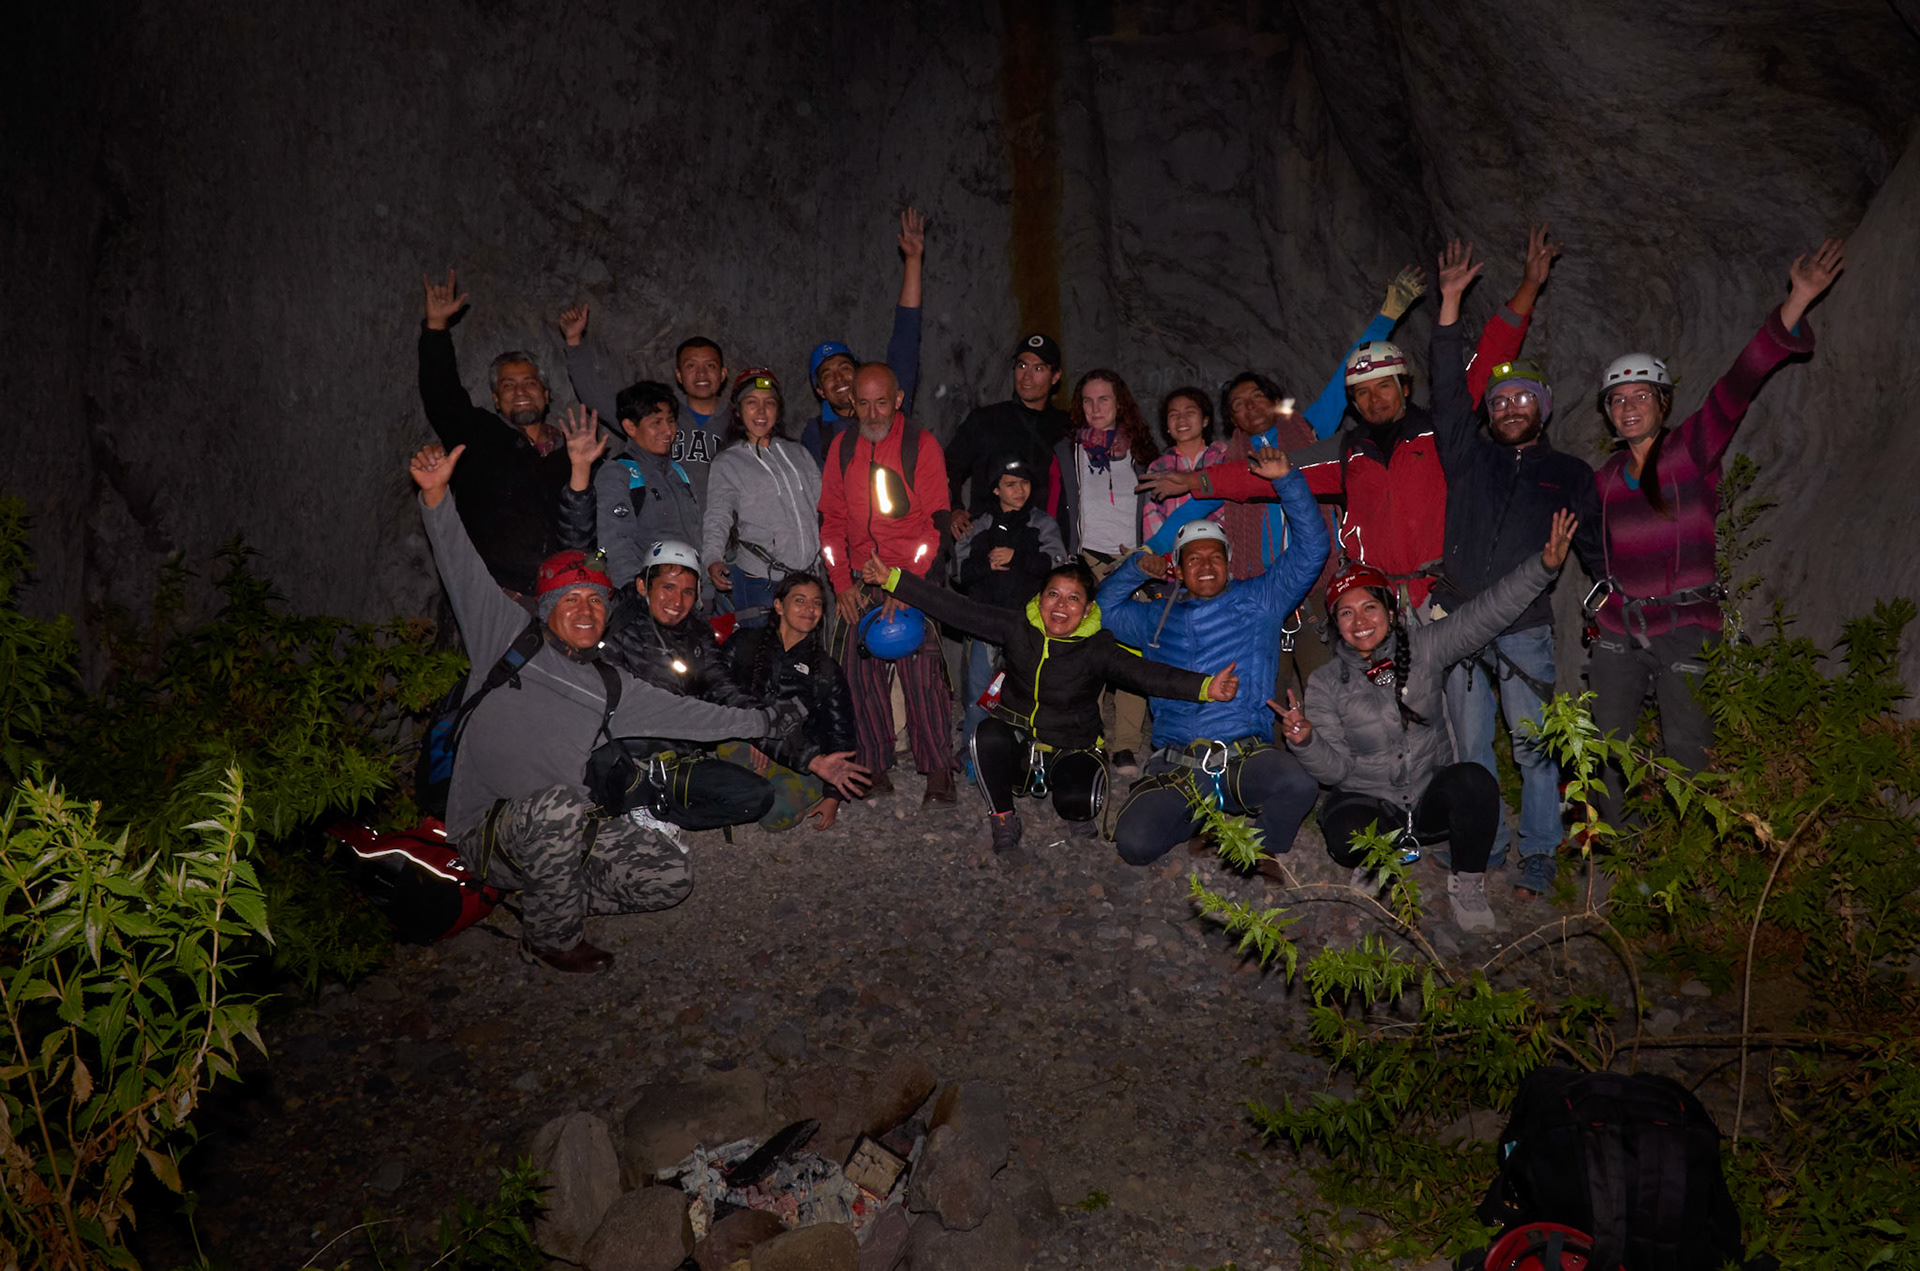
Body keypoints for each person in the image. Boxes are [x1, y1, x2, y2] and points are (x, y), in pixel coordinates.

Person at [408, 442, 792, 973]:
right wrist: (435, 496)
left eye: (594, 599)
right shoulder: (507, 639)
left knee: (670, 877)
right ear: (547, 608)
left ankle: (550, 894)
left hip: (566, 831)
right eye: (571, 599)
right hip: (490, 830)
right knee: (562, 805)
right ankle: (550, 939)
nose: (586, 609)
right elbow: (460, 567)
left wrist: (765, 720)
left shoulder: (610, 684)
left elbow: (693, 716)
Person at [1147, 226, 1563, 615]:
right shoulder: (1347, 452)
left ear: (1404, 386)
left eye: (1383, 386)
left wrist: (1529, 286)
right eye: (1362, 392)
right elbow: (1267, 473)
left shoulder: (1440, 431)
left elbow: (1486, 359)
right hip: (1375, 602)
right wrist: (1194, 480)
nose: (1373, 398)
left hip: (1440, 595)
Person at [1587, 239, 1843, 820]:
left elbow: (1741, 380)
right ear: (1607, 412)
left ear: (1663, 403)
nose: (1629, 407)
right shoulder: (1604, 480)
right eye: (1617, 400)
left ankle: (1696, 859)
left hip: (1685, 625)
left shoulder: (1692, 449)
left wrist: (1797, 301)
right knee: (1606, 754)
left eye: (1641, 395)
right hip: (1620, 626)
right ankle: (1621, 858)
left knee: (1688, 755)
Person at [1275, 511, 1579, 934]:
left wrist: (1542, 567)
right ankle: (1378, 859)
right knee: (1342, 831)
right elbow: (1336, 772)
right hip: (1372, 800)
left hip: (1427, 798)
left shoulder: (1426, 647)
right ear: (1335, 624)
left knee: (1474, 781)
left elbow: (1487, 612)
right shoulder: (1326, 681)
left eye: (1369, 607)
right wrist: (1306, 741)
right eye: (1346, 613)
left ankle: (1468, 882)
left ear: (1390, 609)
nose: (1360, 622)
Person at [1428, 238, 1603, 895]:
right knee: (1471, 750)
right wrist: (1449, 304)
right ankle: (1486, 845)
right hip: (1461, 619)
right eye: (1499, 402)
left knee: (1534, 750)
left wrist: (1613, 602)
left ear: (1542, 408)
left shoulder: (1570, 473)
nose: (1507, 408)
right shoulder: (1467, 456)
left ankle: (1538, 853)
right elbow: (1448, 393)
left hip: (1526, 627)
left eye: (1521, 400)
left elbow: (1596, 550)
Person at [864, 554, 1239, 860]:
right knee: (985, 734)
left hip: (1073, 745)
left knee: (1077, 805)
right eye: (1053, 595)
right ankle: (1003, 818)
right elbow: (958, 610)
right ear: (1039, 599)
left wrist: (1206, 687)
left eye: (1073, 598)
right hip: (1020, 741)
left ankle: (1071, 795)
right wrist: (894, 580)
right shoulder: (1017, 627)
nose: (1061, 606)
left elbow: (1147, 674)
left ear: (1087, 609)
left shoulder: (1098, 646)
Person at [1098, 448, 1329, 867]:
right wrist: (1135, 569)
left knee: (1298, 785)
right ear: (1178, 570)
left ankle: (1254, 852)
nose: (1206, 566)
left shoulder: (1261, 599)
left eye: (1215, 556)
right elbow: (1103, 612)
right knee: (1134, 844)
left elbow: (1313, 548)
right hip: (1177, 763)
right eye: (1194, 559)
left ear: (1228, 562)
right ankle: (1199, 818)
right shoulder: (1154, 617)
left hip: (1244, 758)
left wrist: (1287, 480)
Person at [818, 362, 957, 803]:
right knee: (858, 671)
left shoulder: (921, 445)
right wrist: (840, 582)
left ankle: (938, 767)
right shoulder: (843, 448)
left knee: (922, 670)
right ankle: (874, 763)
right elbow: (830, 521)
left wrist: (906, 585)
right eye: (863, 404)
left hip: (911, 573)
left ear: (898, 399)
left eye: (882, 402)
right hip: (860, 576)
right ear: (851, 403)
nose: (873, 413)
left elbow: (936, 525)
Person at [593, 539, 785, 833]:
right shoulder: (615, 620)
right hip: (624, 758)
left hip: (677, 760)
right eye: (668, 587)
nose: (677, 601)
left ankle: (656, 810)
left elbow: (722, 687)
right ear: (643, 586)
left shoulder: (697, 633)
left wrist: (763, 722)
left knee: (757, 796)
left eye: (687, 591)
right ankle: (633, 802)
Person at [417, 269, 573, 595]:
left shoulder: (573, 453)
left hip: (562, 595)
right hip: (493, 592)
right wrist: (436, 329)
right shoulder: (477, 436)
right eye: (508, 386)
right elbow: (441, 393)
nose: (521, 392)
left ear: (546, 394)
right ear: (496, 399)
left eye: (530, 383)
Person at [724, 573, 869, 831]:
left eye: (816, 603)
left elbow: (840, 733)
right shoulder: (744, 642)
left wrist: (833, 796)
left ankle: (779, 787)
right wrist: (757, 738)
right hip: (747, 739)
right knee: (723, 749)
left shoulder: (826, 670)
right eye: (800, 600)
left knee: (775, 817)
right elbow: (718, 693)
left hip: (803, 755)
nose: (809, 609)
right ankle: (751, 783)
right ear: (779, 606)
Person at [554, 303, 729, 503]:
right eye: (691, 366)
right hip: (666, 518)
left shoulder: (739, 419)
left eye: (710, 365)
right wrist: (574, 342)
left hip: (722, 521)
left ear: (723, 373)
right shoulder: (654, 413)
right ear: (679, 375)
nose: (701, 374)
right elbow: (596, 396)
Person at [953, 456, 1067, 755]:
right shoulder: (977, 525)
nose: (1020, 490)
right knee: (980, 692)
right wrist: (987, 564)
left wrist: (1017, 557)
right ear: (995, 489)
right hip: (985, 624)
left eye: (1025, 483)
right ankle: (972, 753)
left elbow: (1058, 564)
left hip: (1027, 625)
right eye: (1010, 484)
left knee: (1027, 693)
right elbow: (958, 572)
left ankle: (1025, 755)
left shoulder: (1042, 523)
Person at [798, 208, 928, 465]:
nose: (838, 378)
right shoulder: (818, 435)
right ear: (820, 390)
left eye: (845, 368)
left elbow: (906, 336)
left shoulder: (889, 404)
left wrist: (913, 260)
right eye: (827, 375)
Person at [550, 374, 700, 592]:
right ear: (630, 427)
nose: (668, 431)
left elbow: (696, 534)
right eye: (656, 422)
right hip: (648, 594)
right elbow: (615, 544)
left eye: (670, 420)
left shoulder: (678, 472)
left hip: (688, 591)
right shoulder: (619, 473)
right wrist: (634, 595)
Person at [702, 369, 823, 627]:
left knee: (803, 650)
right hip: (760, 580)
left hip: (808, 578)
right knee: (761, 649)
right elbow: (718, 515)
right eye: (751, 402)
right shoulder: (728, 462)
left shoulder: (799, 454)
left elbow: (820, 508)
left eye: (769, 403)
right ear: (737, 410)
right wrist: (712, 558)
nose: (761, 411)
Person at [945, 334, 1071, 539]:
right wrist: (954, 508)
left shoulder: (1066, 427)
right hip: (988, 540)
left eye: (1038, 369)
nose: (1027, 377)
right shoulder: (985, 420)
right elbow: (947, 467)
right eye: (1022, 366)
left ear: (1055, 376)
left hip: (1042, 542)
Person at [1139, 387, 1226, 540]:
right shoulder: (1159, 467)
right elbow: (1151, 517)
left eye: (1190, 413)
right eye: (1173, 415)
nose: (1181, 419)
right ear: (1167, 426)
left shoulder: (1223, 458)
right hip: (1173, 549)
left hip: (1220, 547)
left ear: (1205, 420)